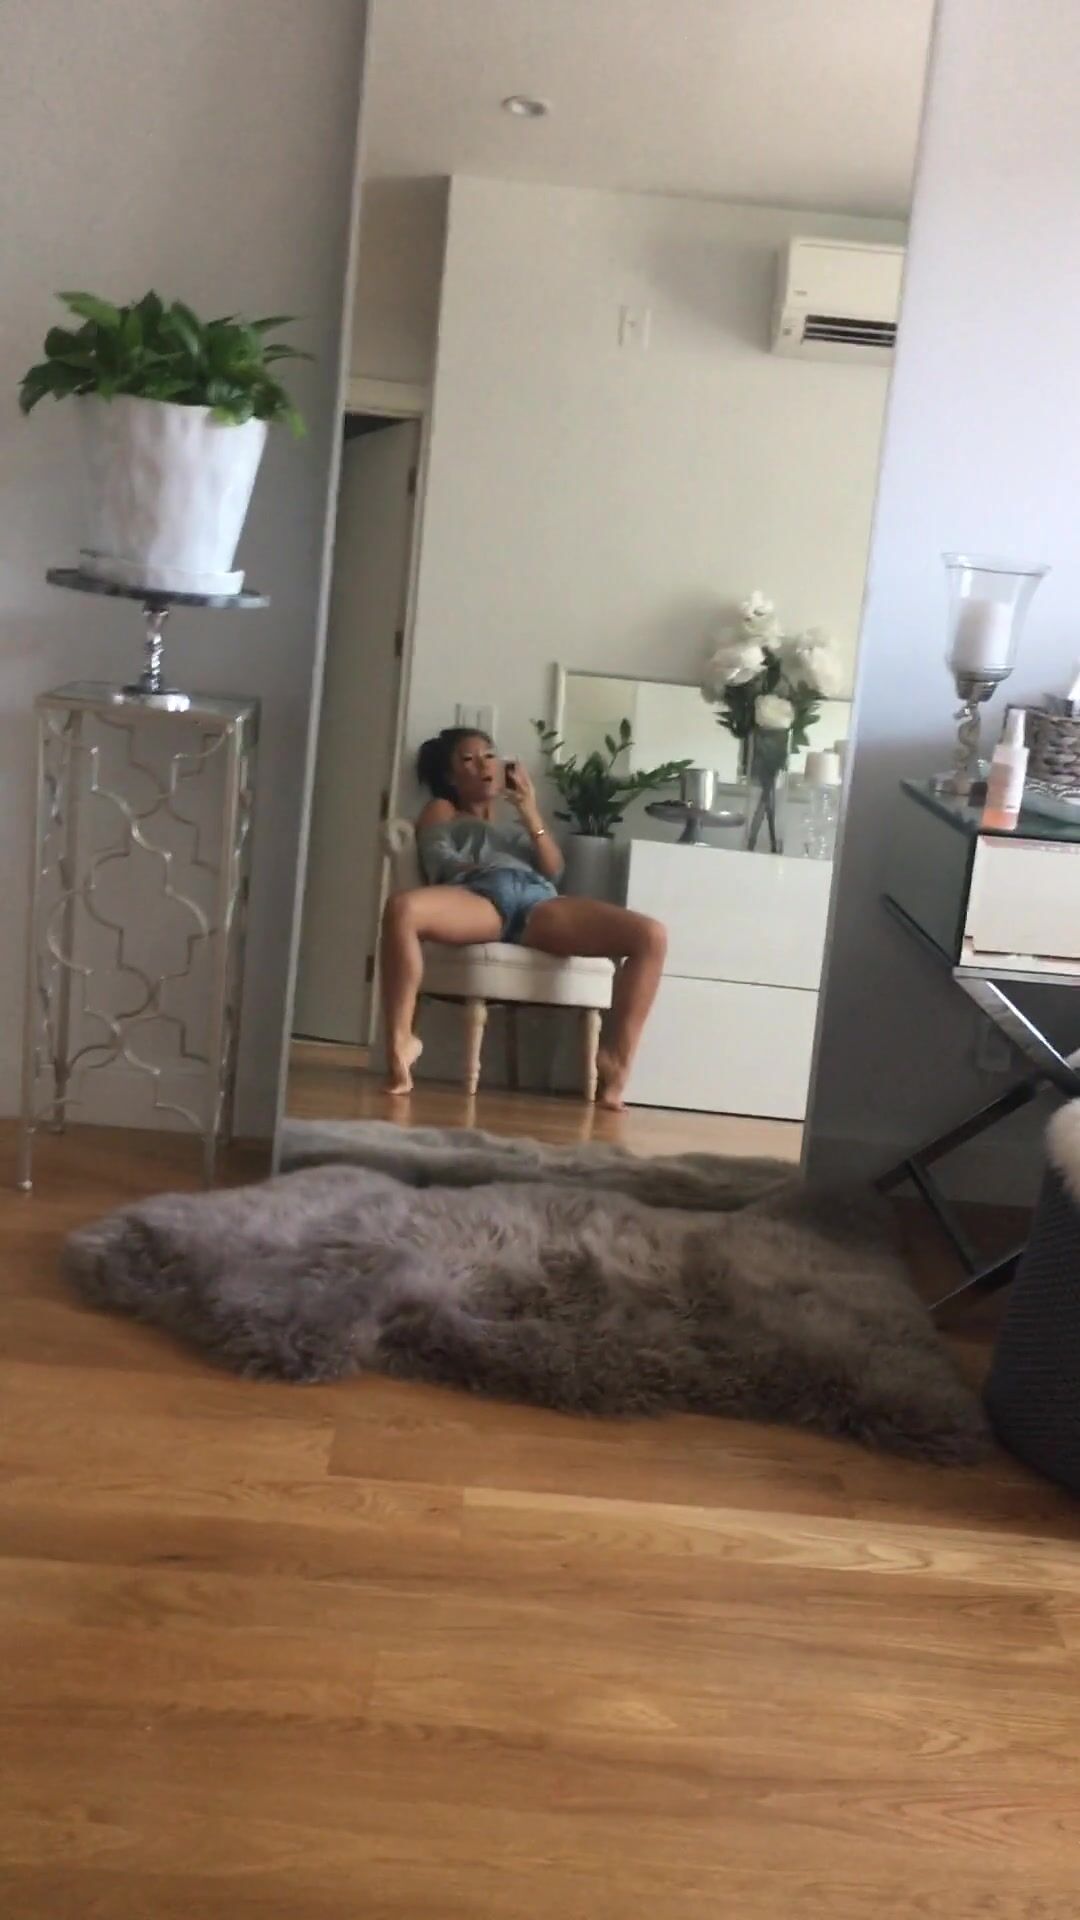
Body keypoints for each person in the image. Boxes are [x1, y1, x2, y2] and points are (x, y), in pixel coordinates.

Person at [380, 727, 667, 1109]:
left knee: (651, 935)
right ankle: (400, 1042)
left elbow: (554, 870)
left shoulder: (515, 826)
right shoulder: (444, 809)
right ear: (451, 776)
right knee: (402, 909)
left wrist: (529, 810)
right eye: (468, 760)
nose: (484, 765)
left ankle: (616, 1061)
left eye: (489, 755)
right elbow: (437, 857)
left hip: (538, 901)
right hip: (481, 895)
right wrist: (476, 867)